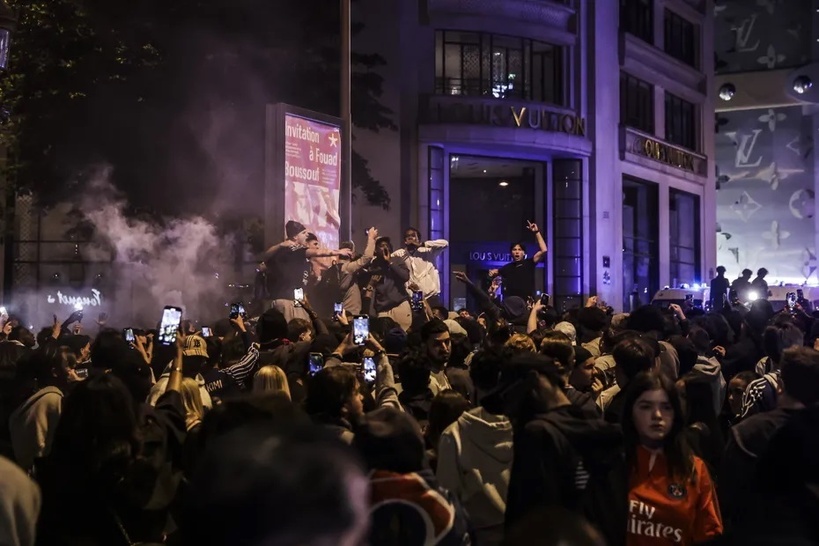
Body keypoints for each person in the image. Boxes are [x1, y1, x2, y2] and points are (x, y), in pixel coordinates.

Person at [619, 372, 722, 546]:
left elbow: (708, 533)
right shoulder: (612, 464)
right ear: (631, 412)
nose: (657, 415)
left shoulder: (693, 468)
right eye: (646, 406)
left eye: (666, 407)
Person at [260, 220, 352, 322]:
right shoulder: (293, 249)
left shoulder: (297, 257)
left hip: (296, 301)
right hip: (287, 301)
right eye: (303, 233)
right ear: (295, 237)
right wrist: (338, 251)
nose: (306, 235)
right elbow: (318, 253)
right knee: (295, 331)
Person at [488, 221, 548, 300]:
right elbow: (494, 273)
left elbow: (544, 250)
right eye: (514, 249)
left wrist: (536, 232)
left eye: (519, 250)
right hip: (511, 303)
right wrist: (491, 274)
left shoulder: (529, 263)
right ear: (511, 252)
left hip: (526, 302)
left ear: (523, 252)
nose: (517, 252)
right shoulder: (507, 268)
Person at [392, 227, 448, 307]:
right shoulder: (401, 254)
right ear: (405, 240)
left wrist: (422, 244)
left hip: (431, 295)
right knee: (418, 317)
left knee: (435, 317)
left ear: (418, 239)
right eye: (408, 236)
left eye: (413, 235)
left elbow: (445, 243)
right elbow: (387, 258)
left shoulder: (428, 251)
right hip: (415, 295)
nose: (410, 238)